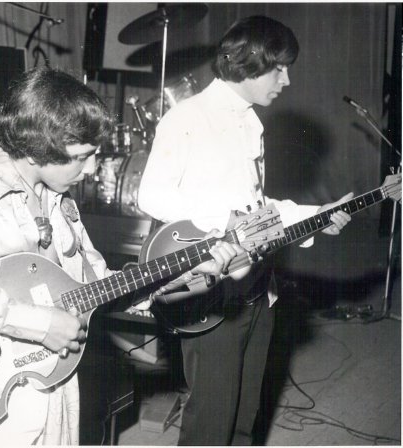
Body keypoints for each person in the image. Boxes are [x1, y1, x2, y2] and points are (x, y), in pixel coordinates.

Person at [0, 67, 241, 445]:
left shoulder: (58, 198)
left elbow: (100, 286)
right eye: (81, 157)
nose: (92, 169)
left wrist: (186, 270)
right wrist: (35, 322)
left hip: (56, 378)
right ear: (35, 150)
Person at [138, 16, 352, 445]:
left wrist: (318, 215)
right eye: (280, 68)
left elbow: (259, 209)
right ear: (251, 63)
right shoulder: (187, 118)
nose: (287, 80)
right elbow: (151, 196)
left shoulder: (251, 121)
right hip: (213, 291)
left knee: (244, 416)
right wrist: (223, 219)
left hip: (257, 287)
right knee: (211, 421)